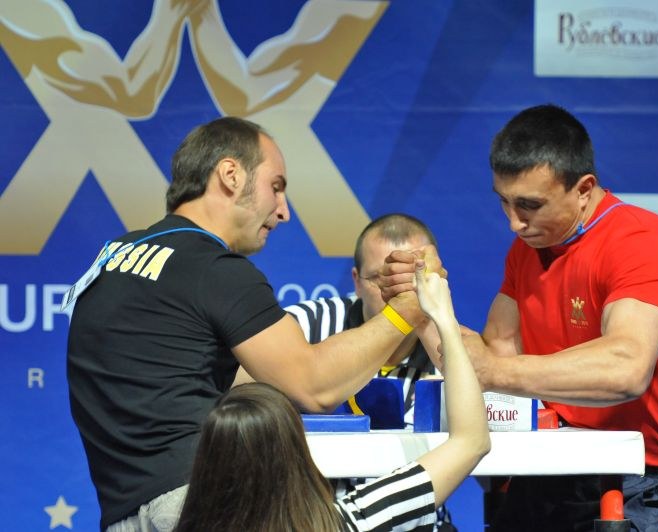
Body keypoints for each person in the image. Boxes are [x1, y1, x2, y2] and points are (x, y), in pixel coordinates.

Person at [66, 116, 438, 531]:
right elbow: (313, 387)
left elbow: (185, 376)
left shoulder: (118, 255)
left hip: (124, 513)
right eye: (275, 186)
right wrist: (406, 310)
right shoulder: (213, 269)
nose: (283, 212)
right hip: (199, 505)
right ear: (230, 174)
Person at [379, 104, 658, 531]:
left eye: (530, 205)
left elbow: (626, 369)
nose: (514, 223)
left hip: (648, 479)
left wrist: (491, 370)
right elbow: (487, 358)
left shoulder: (641, 241)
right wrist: (425, 306)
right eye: (504, 202)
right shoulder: (529, 249)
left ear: (584, 188)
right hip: (562, 462)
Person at [173, 260, 491, 532]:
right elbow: (470, 442)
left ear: (205, 464)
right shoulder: (350, 521)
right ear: (295, 454)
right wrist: (443, 319)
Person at [284, 213, 439, 426]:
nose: (397, 291)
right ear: (357, 282)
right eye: (380, 278)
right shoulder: (304, 325)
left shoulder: (451, 353)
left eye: (410, 278)